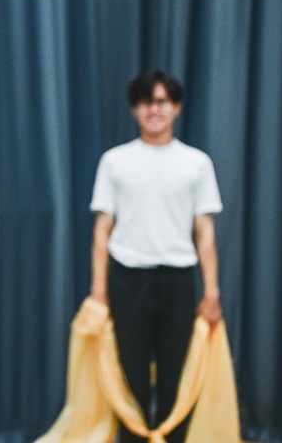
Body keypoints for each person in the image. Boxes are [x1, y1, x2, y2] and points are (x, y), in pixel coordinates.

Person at [88, 69, 223, 443]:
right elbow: (102, 229)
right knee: (128, 372)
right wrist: (99, 290)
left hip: (178, 279)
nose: (154, 109)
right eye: (146, 102)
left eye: (162, 101)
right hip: (128, 279)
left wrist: (211, 291)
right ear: (135, 109)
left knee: (175, 374)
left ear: (176, 107)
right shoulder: (115, 162)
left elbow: (204, 230)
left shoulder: (197, 163)